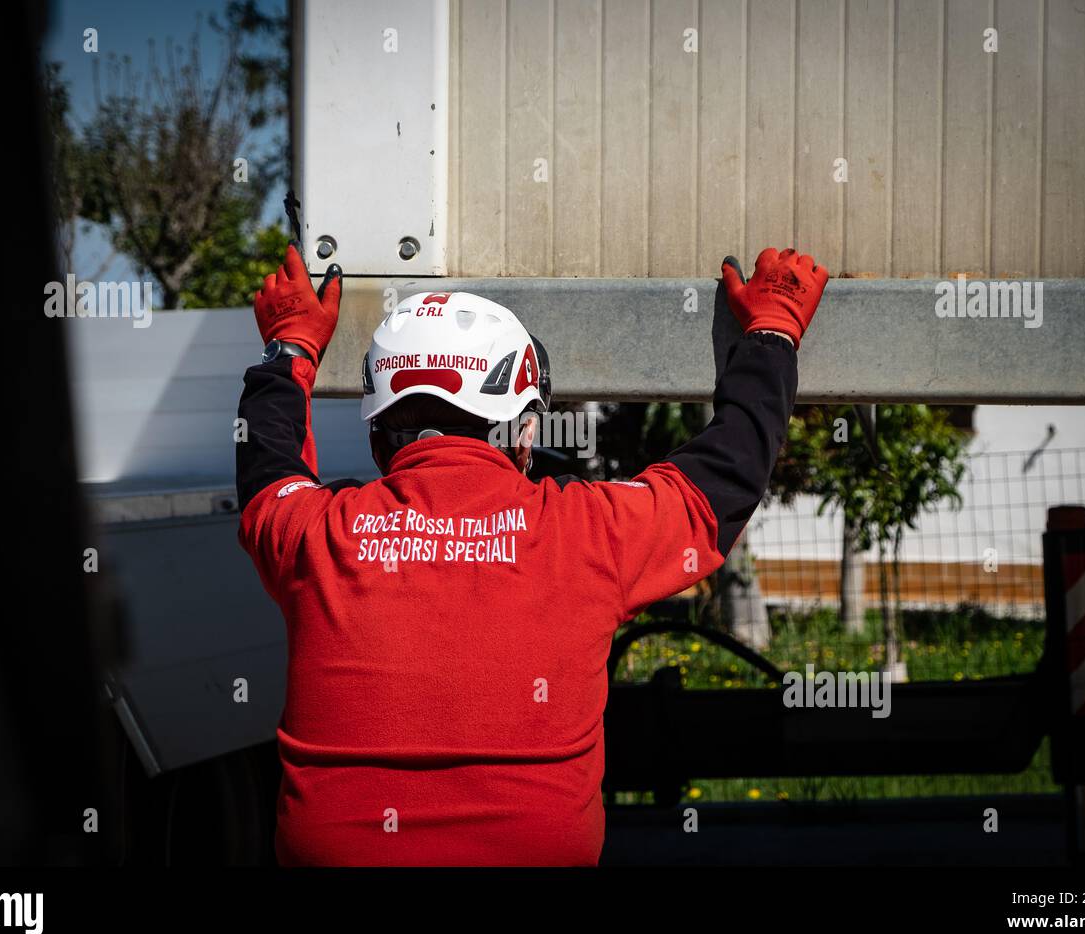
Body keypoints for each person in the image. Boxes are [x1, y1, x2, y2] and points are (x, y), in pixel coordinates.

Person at [236, 245, 828, 865]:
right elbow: (724, 479)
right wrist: (772, 334)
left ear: (378, 436)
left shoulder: (316, 537)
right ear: (521, 430)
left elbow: (267, 470)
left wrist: (290, 349)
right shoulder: (588, 534)